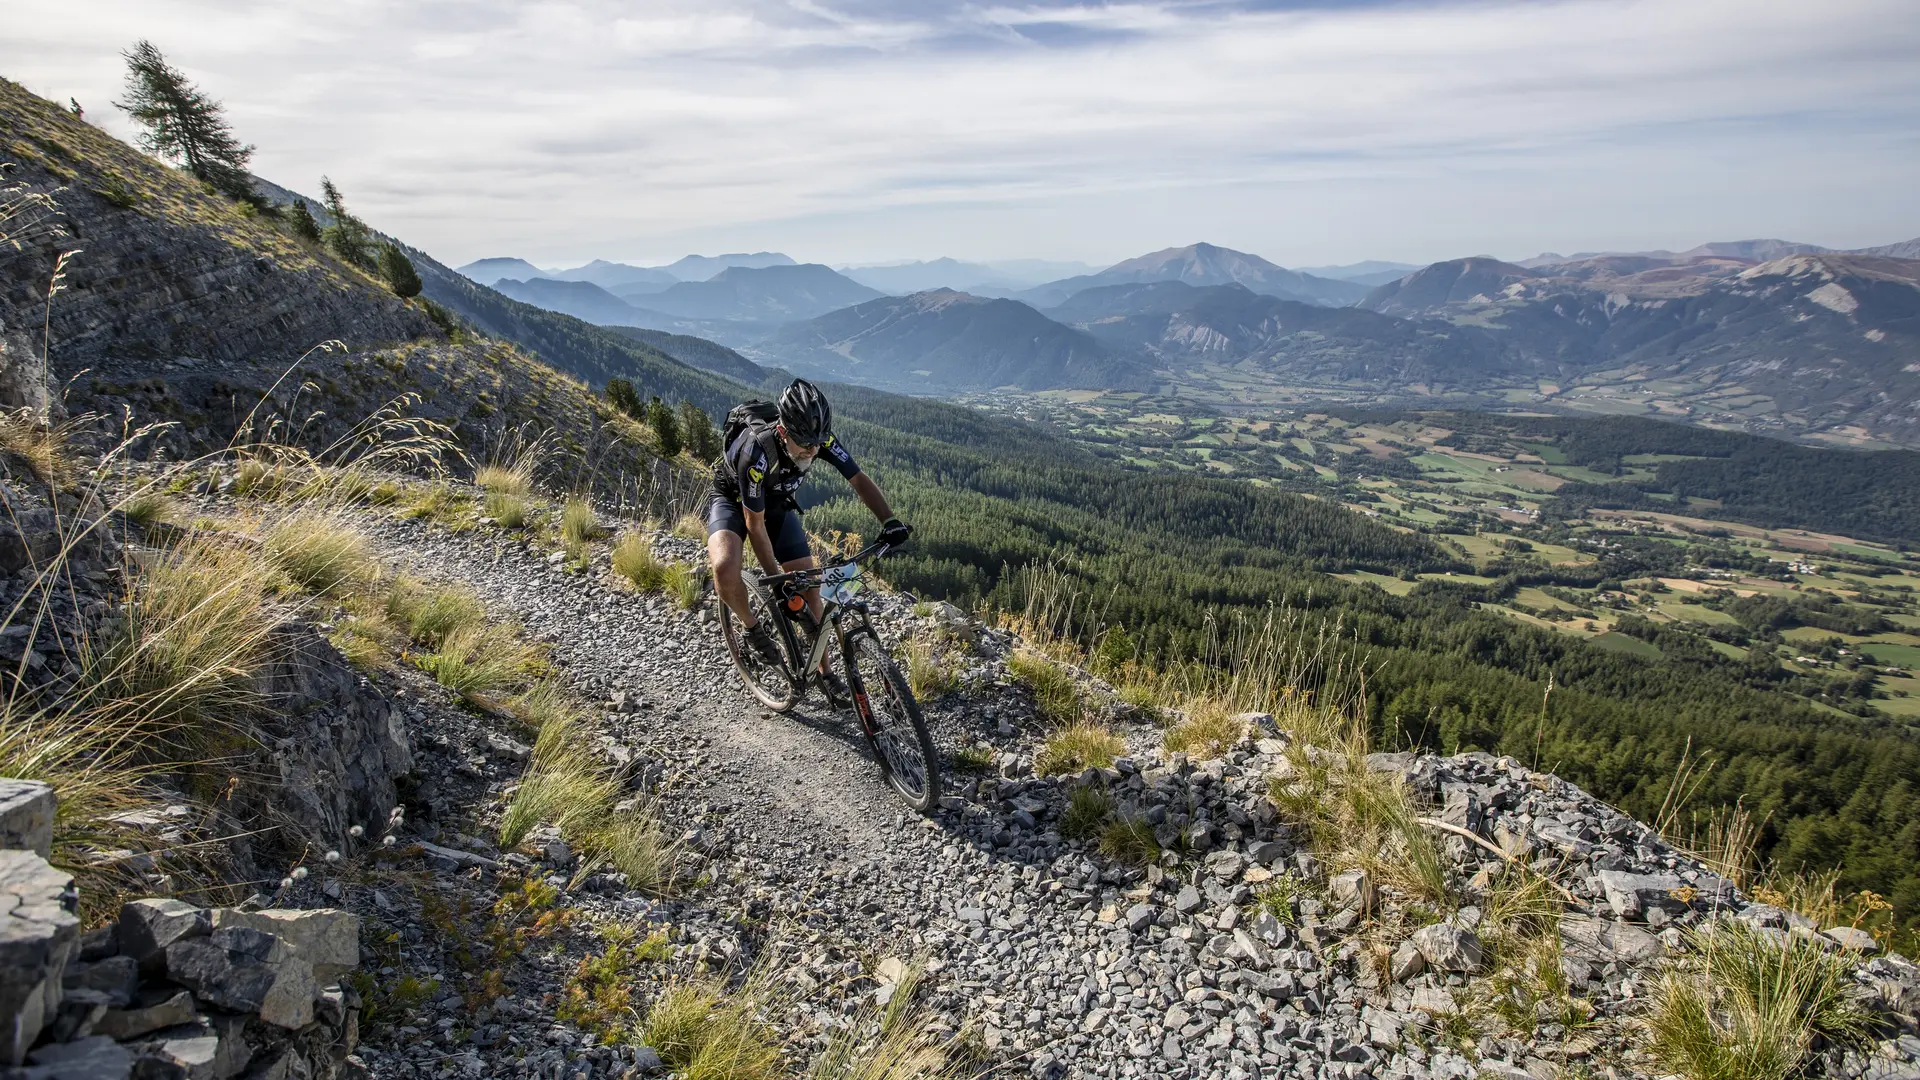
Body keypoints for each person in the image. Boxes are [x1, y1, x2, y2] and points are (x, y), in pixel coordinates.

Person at [705, 379, 910, 697]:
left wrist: (890, 520)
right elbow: (754, 526)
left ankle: (824, 672)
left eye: (818, 444)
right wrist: (778, 581)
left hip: (775, 506)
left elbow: (856, 478)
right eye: (806, 446)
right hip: (733, 503)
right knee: (724, 567)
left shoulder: (817, 439)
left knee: (812, 590)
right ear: (784, 432)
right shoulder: (756, 453)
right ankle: (752, 628)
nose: (814, 452)